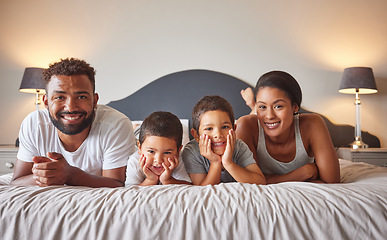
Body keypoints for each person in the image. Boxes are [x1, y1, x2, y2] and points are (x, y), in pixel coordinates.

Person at [11, 58, 136, 187]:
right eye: (60, 97)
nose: (70, 107)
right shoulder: (33, 124)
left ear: (94, 101)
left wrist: (70, 175)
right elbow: (16, 182)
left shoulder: (116, 125)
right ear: (46, 102)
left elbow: (117, 184)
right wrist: (45, 175)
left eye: (81, 97)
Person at [236, 71, 340, 184]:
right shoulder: (245, 126)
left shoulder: (312, 124)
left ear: (295, 107)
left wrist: (271, 180)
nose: (270, 115)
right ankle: (252, 106)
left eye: (278, 106)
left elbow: (332, 182)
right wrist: (304, 172)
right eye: (262, 106)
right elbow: (248, 181)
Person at [181, 95, 266, 186]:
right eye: (209, 129)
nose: (218, 134)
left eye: (225, 127)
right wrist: (215, 162)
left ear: (234, 129)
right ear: (196, 135)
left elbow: (261, 182)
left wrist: (228, 163)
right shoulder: (192, 151)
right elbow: (201, 190)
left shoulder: (239, 147)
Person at [125, 111, 192, 186]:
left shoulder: (177, 159)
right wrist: (150, 180)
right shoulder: (134, 161)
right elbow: (130, 192)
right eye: (151, 151)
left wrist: (168, 180)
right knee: (134, 135)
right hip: (136, 142)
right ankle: (136, 128)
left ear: (178, 151)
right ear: (140, 148)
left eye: (167, 153)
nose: (158, 160)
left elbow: (190, 186)